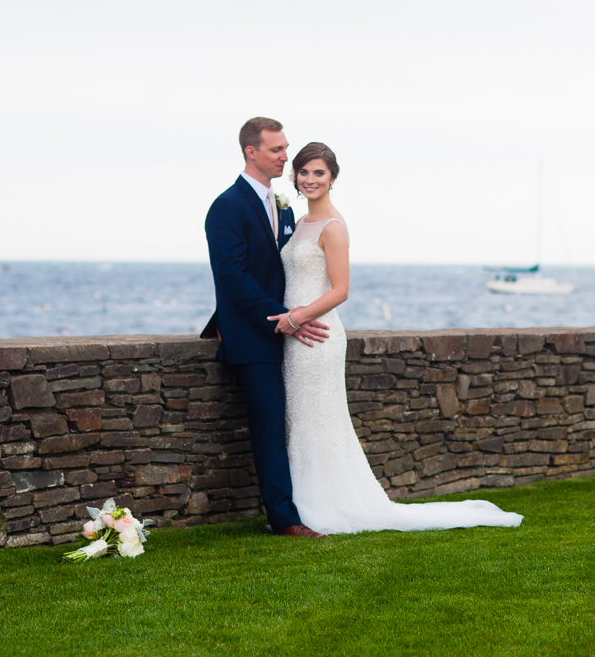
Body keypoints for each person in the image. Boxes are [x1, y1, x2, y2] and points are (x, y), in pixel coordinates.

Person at [267, 141, 523, 533]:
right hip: (294, 337)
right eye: (304, 172)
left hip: (316, 336)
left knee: (319, 420)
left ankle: (327, 506)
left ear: (333, 177)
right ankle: (303, 503)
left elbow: (341, 290)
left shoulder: (333, 227)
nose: (310, 179)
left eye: (319, 172)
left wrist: (297, 318)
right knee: (302, 423)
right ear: (295, 177)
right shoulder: (299, 223)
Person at [202, 117, 330, 539]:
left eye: (285, 148)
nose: (285, 157)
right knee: (271, 423)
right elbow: (233, 277)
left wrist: (296, 316)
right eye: (276, 150)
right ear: (250, 152)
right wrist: (283, 318)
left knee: (293, 422)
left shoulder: (281, 204)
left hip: (285, 329)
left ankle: (309, 503)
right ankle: (285, 520)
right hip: (254, 335)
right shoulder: (227, 206)